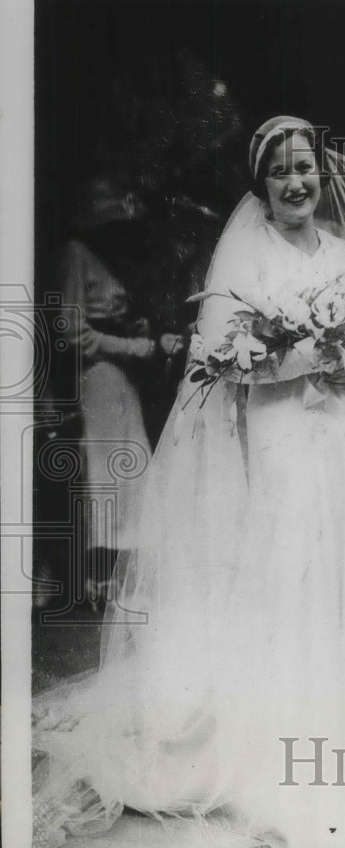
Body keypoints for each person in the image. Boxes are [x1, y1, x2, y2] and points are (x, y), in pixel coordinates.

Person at [33, 116, 345, 848]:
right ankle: (280, 777)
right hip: (279, 447)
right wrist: (302, 351)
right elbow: (219, 360)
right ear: (262, 183)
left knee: (340, 599)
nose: (297, 182)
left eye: (306, 166)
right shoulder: (245, 250)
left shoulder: (342, 252)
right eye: (281, 171)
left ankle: (338, 775)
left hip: (343, 440)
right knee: (287, 596)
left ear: (323, 170)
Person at [57, 176, 155, 603]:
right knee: (102, 478)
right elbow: (69, 329)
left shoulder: (112, 262)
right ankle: (92, 581)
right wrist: (129, 345)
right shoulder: (75, 254)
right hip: (97, 376)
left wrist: (136, 330)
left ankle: (120, 581)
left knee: (130, 473)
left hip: (123, 381)